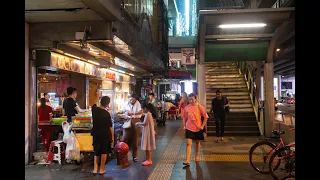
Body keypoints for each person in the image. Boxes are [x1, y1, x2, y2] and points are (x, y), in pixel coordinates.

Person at [182, 93, 209, 166]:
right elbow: (184, 117)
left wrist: (202, 126)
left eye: (192, 99)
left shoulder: (200, 107)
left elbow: (206, 117)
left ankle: (197, 155)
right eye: (189, 99)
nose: (190, 101)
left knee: (197, 142)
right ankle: (187, 160)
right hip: (189, 127)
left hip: (198, 128)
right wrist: (184, 125)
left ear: (196, 99)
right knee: (188, 143)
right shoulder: (186, 107)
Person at [91, 96, 114, 175]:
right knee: (104, 151)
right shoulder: (107, 114)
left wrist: (98, 97)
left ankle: (95, 169)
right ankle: (101, 169)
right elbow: (110, 127)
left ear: (100, 101)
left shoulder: (94, 110)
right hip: (105, 134)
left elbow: (94, 104)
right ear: (107, 104)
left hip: (96, 133)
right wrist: (112, 137)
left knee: (96, 150)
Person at [121, 94, 143, 162]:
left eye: (133, 100)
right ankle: (122, 155)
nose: (132, 101)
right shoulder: (125, 103)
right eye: (131, 99)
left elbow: (141, 111)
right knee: (124, 139)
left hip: (136, 121)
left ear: (136, 99)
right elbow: (122, 111)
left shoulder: (138, 103)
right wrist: (126, 112)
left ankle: (135, 156)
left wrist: (132, 113)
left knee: (135, 139)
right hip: (128, 121)